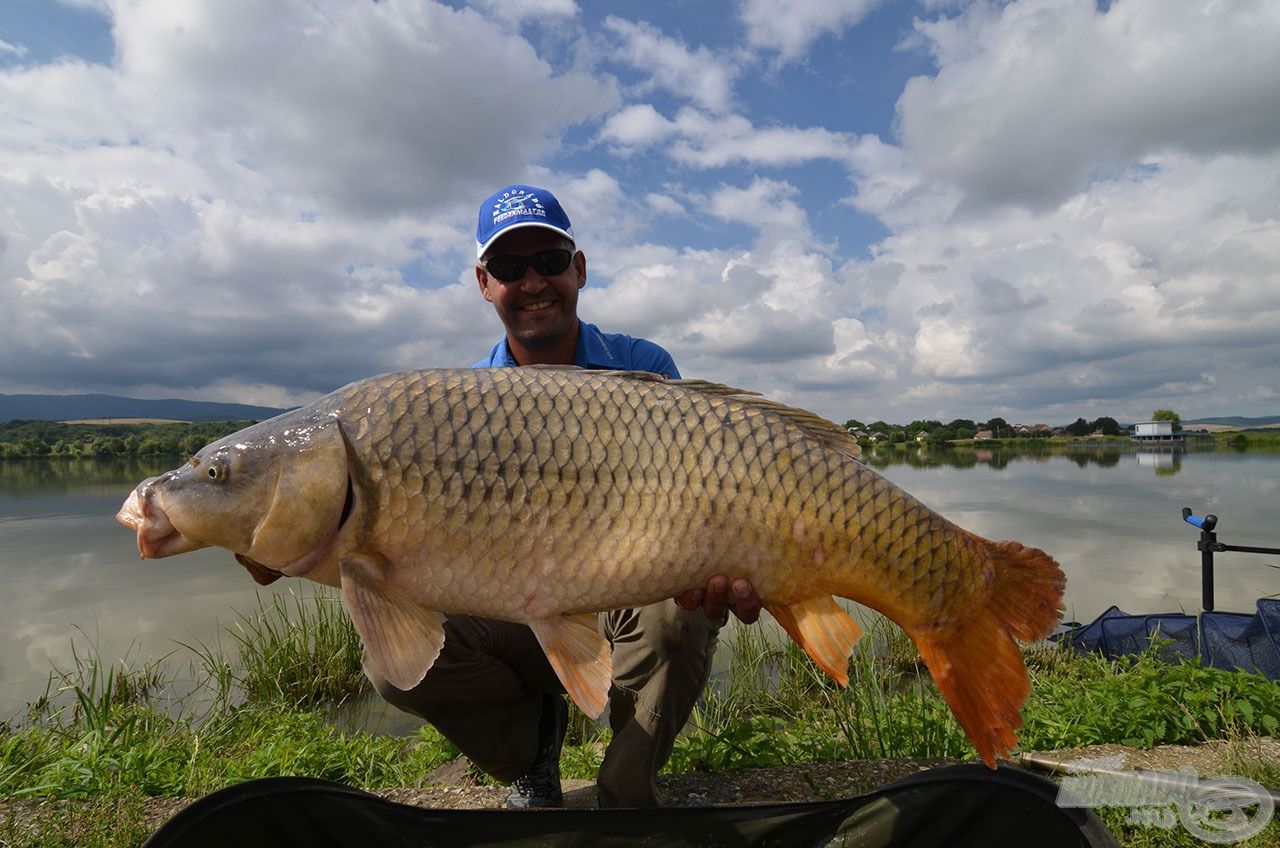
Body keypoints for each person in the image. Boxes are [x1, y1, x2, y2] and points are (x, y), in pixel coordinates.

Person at [369, 184, 760, 809]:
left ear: (577, 269)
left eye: (549, 262)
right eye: (509, 267)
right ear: (483, 282)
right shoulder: (462, 403)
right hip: (518, 604)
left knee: (680, 618)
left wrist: (717, 553)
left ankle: (624, 791)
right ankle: (531, 753)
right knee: (390, 660)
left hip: (629, 586)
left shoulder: (647, 367)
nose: (532, 283)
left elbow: (693, 498)